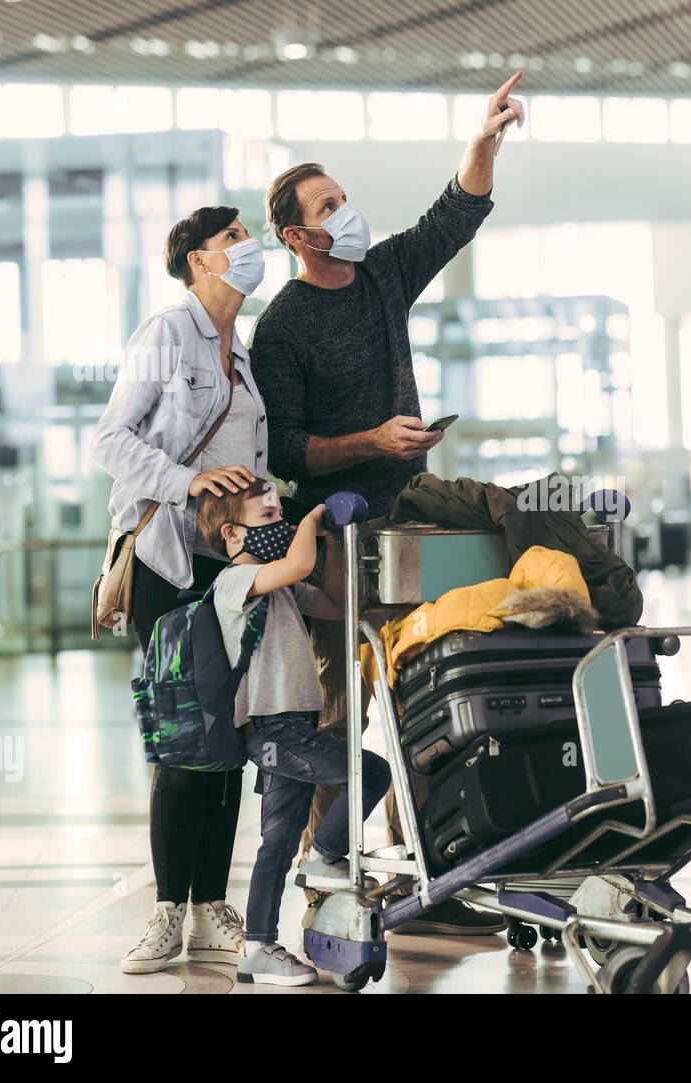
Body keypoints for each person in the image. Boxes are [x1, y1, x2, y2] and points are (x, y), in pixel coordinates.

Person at [249, 73, 526, 936]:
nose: (349, 211)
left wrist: (484, 140)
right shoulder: (282, 328)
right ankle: (322, 871)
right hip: (332, 531)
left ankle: (427, 866)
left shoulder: (381, 276)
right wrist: (374, 440)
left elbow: (455, 214)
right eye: (330, 204)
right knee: (341, 706)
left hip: (409, 516)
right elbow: (287, 450)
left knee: (421, 679)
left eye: (347, 197)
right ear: (299, 233)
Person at [92, 206, 270, 973]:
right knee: (181, 734)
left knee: (225, 734)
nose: (247, 246)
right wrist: (187, 479)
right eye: (232, 237)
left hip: (227, 564)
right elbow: (110, 439)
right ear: (199, 260)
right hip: (169, 563)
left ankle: (210, 906)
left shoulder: (246, 354)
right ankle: (168, 911)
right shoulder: (169, 334)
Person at [194, 479, 391, 986]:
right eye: (269, 520)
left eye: (283, 518)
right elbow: (299, 564)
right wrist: (312, 519)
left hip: (297, 725)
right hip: (273, 729)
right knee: (369, 771)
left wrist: (332, 539)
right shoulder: (232, 582)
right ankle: (326, 855)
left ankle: (256, 946)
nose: (280, 528)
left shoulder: (277, 585)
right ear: (232, 535)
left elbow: (334, 603)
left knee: (277, 843)